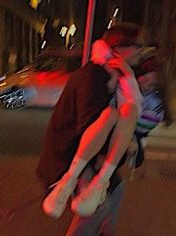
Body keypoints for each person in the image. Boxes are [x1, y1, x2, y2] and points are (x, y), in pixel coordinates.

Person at [37, 22, 144, 235]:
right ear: (119, 50)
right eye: (138, 45)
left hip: (90, 156)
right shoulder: (92, 78)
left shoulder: (117, 78)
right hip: (70, 158)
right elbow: (89, 128)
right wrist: (125, 149)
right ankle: (67, 188)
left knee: (115, 192)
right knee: (95, 210)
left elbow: (128, 120)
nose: (142, 51)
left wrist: (132, 148)